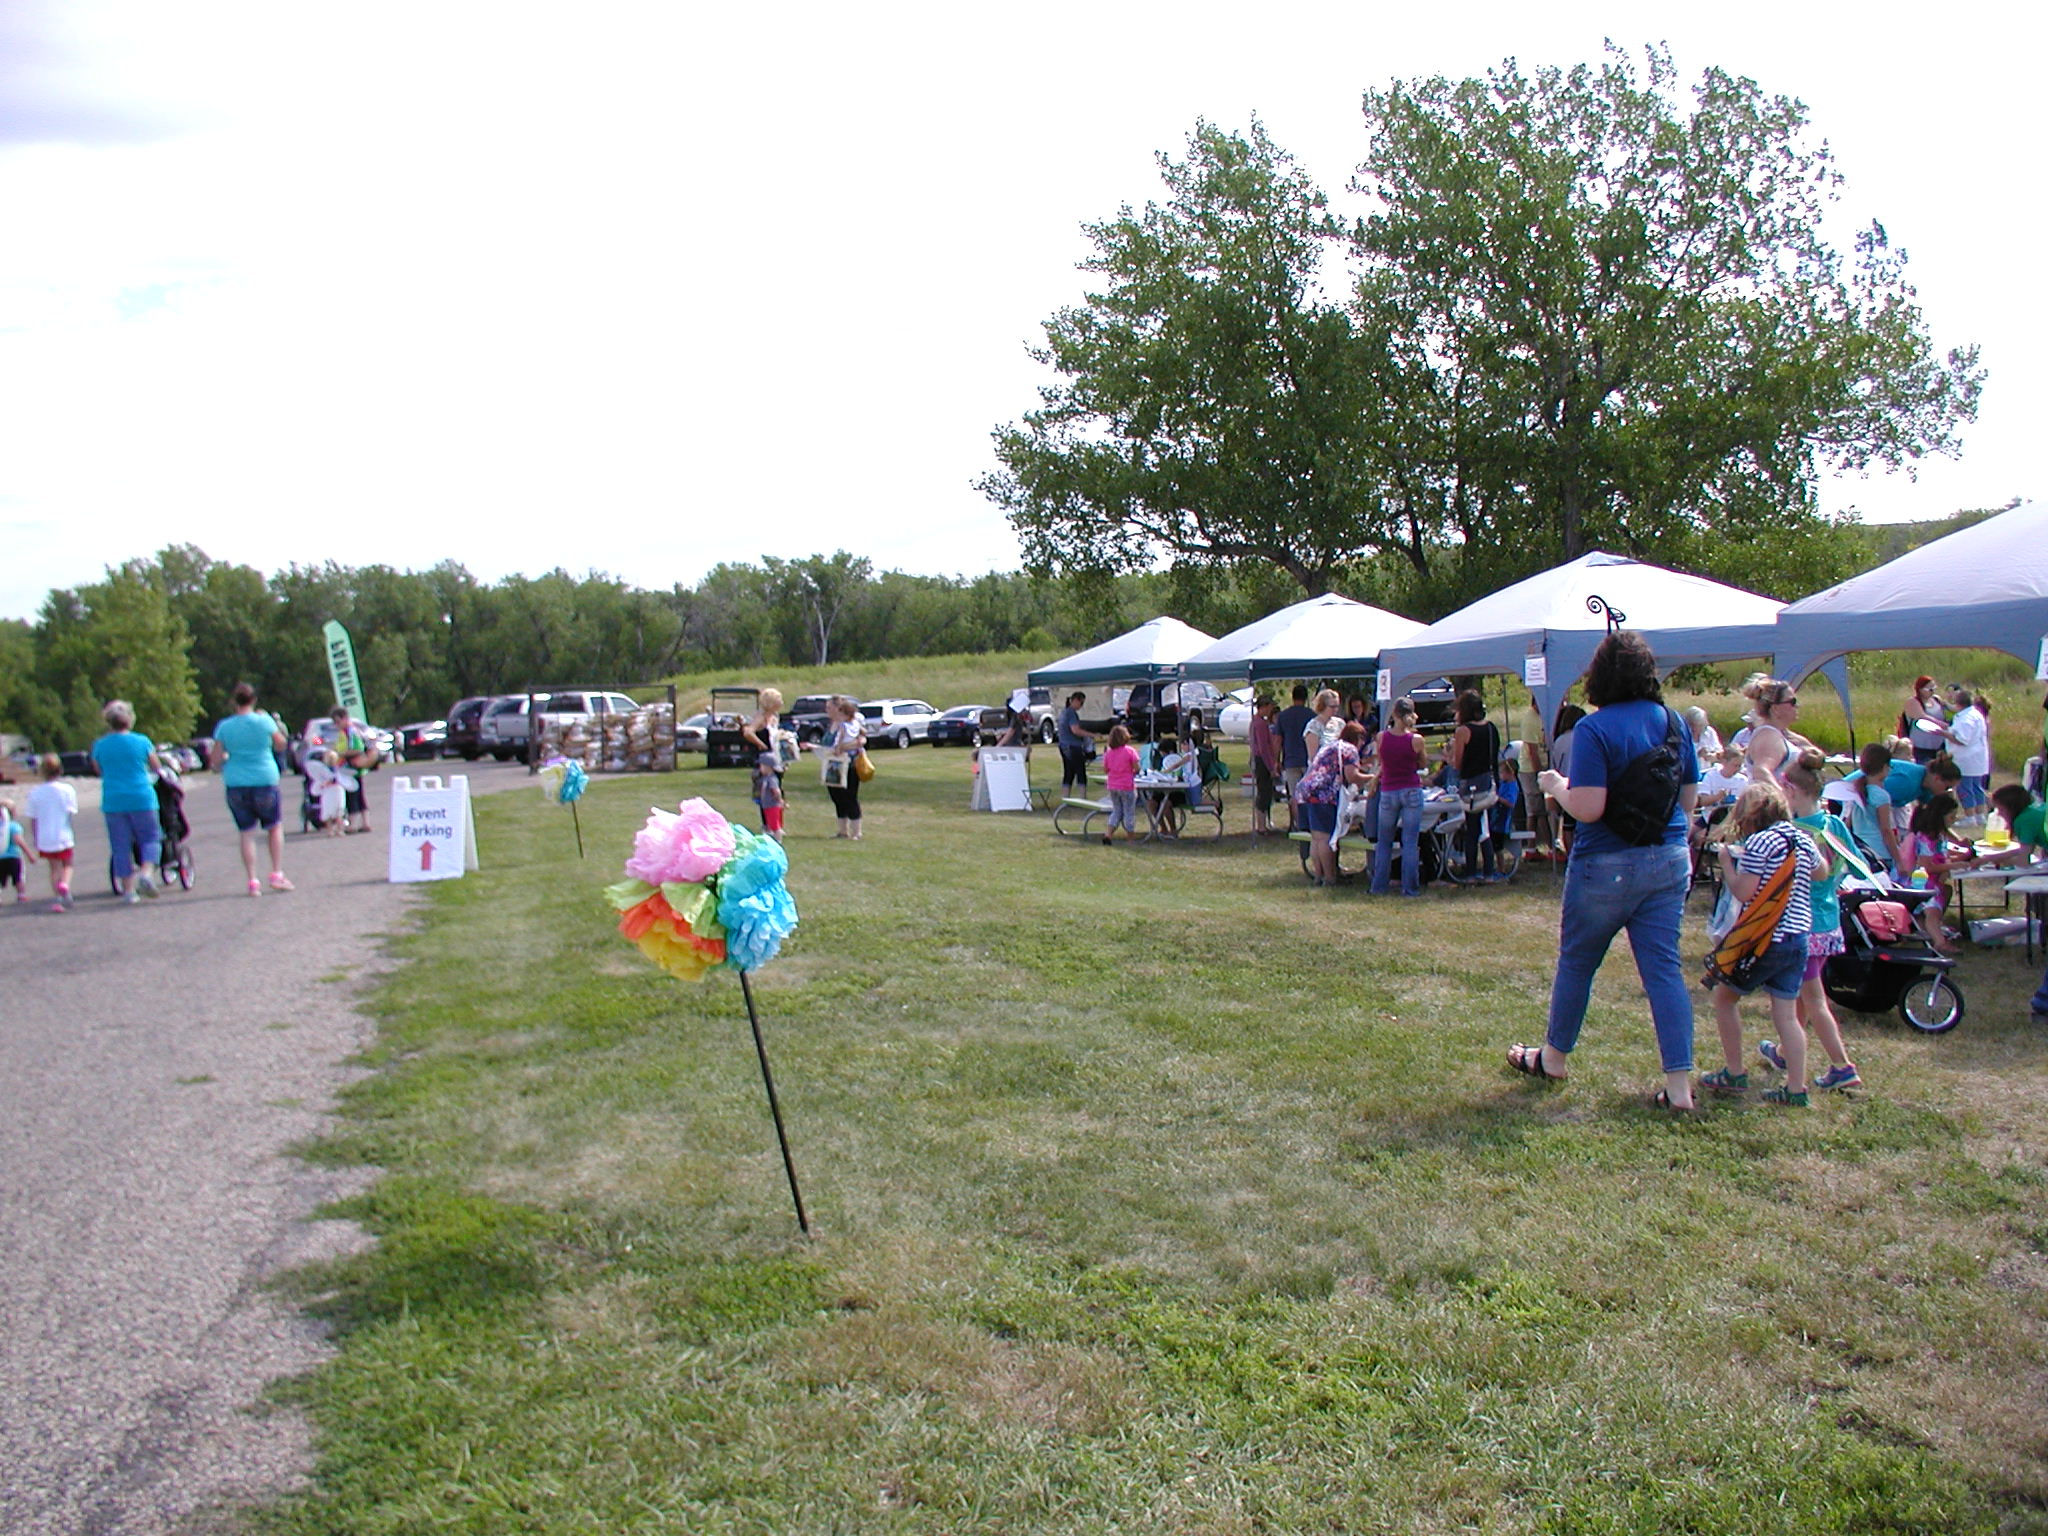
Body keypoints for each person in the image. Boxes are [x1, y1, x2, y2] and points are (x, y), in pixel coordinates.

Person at [1505, 631, 1698, 1111]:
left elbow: (1589, 808)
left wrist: (1557, 785)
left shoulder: (1594, 729)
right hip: (1668, 858)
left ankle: (1553, 1057)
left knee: (1578, 962)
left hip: (1604, 865)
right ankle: (1679, 1089)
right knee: (1664, 974)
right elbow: (1689, 799)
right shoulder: (1674, 723)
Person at [1704, 779, 1822, 1106]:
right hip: (1798, 937)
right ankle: (1796, 1088)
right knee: (1786, 1016)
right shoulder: (1802, 839)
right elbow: (1821, 872)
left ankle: (1734, 1071)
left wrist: (1728, 863)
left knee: (1724, 999)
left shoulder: (1758, 844)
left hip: (1765, 938)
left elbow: (1744, 891)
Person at [1760, 749, 1862, 1092]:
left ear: (1790, 792)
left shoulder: (1794, 832)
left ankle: (1842, 1066)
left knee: (1815, 999)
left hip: (1804, 924)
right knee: (1803, 992)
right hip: (1829, 918)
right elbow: (1855, 865)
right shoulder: (1832, 824)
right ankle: (1785, 1051)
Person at [209, 681, 294, 895]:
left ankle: (252, 880)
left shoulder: (224, 727)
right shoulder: (264, 721)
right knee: (273, 827)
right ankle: (276, 873)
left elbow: (215, 760)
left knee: (246, 833)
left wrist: (223, 762)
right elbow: (281, 743)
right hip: (264, 778)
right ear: (254, 700)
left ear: (233, 702)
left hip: (236, 782)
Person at [91, 699, 165, 904]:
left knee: (120, 846)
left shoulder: (100, 745)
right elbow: (156, 766)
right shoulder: (142, 741)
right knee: (150, 838)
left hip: (114, 799)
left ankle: (129, 891)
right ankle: (147, 873)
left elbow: (98, 770)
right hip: (141, 796)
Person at [1898, 792, 1975, 955]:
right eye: (1951, 816)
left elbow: (1939, 857)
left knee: (1945, 893)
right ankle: (1940, 942)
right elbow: (1926, 866)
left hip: (1925, 879)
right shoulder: (1927, 838)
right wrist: (1954, 865)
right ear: (1941, 816)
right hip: (1919, 880)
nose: (1954, 819)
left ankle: (1925, 932)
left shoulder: (1937, 835)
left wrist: (1959, 857)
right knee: (1932, 910)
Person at [1298, 721, 1369, 887]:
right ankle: (1330, 878)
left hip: (1306, 792)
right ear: (1358, 738)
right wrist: (1373, 777)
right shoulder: (1350, 749)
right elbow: (1352, 776)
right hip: (1324, 795)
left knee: (1316, 838)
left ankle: (1318, 876)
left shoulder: (1330, 746)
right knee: (1325, 838)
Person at [1371, 698, 1427, 898]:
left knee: (1384, 841)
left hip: (1389, 789)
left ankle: (1378, 886)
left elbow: (1382, 762)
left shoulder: (1381, 737)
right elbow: (1422, 763)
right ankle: (1409, 888)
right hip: (1411, 788)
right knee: (1410, 841)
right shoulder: (1416, 740)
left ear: (1394, 714)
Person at [1822, 742, 1904, 874]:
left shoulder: (1854, 791)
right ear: (1884, 767)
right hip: (1880, 853)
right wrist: (1899, 859)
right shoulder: (1881, 796)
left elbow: (1847, 824)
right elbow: (1886, 831)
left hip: (1860, 850)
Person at [1448, 690, 1502, 883]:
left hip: (1471, 784)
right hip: (1489, 782)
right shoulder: (1491, 728)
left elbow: (1457, 763)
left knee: (1472, 830)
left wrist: (1450, 754)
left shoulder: (1463, 731)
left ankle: (1471, 872)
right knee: (1485, 829)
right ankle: (1489, 870)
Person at [1737, 675, 1809, 787]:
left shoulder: (1779, 734)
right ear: (1775, 708)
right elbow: (1761, 772)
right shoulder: (1769, 736)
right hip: (1774, 803)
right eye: (1792, 701)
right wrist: (1784, 800)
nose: (1797, 706)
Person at [25, 755, 77, 911]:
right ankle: (64, 884)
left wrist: (35, 837)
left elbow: (33, 818)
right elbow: (71, 812)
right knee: (67, 864)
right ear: (59, 770)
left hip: (45, 836)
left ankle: (58, 899)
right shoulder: (67, 790)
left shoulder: (35, 792)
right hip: (63, 833)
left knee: (54, 868)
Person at [815, 695, 867, 839]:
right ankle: (842, 830)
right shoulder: (831, 724)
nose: (827, 710)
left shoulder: (851, 723)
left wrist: (845, 747)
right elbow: (827, 743)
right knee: (836, 797)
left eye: (829, 707)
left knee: (850, 796)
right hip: (832, 764)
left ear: (839, 709)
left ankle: (857, 831)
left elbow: (862, 739)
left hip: (849, 764)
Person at [1945, 689, 1990, 827]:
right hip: (1977, 758)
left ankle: (1970, 816)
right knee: (1977, 786)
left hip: (1965, 759)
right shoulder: (1975, 714)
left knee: (1965, 788)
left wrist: (1944, 734)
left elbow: (1961, 739)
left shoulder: (1966, 719)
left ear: (1958, 703)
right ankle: (1980, 815)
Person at [1517, 696, 1555, 859]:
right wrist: (1541, 775)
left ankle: (1543, 847)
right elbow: (1532, 752)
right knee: (1536, 811)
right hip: (1530, 769)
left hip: (1541, 766)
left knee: (1538, 810)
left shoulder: (1545, 716)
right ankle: (1539, 848)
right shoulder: (1530, 720)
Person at [328, 706, 375, 833]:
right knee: (359, 795)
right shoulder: (345, 732)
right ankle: (365, 822)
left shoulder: (350, 731)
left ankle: (353, 824)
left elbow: (357, 749)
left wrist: (340, 754)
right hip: (350, 767)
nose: (337, 725)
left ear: (345, 718)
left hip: (352, 767)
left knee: (352, 795)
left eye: (338, 721)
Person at [1276, 685, 1313, 831]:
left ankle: (1298, 824)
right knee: (1310, 794)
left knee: (1294, 795)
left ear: (1293, 697)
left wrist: (1276, 760)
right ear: (1306, 698)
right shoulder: (1311, 715)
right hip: (1308, 759)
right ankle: (1310, 823)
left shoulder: (1283, 716)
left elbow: (1277, 740)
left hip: (1290, 760)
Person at [1100, 724, 1140, 845]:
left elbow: (1106, 770)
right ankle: (1130, 839)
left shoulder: (1109, 753)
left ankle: (1108, 834)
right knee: (1129, 812)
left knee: (1116, 811)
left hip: (1113, 785)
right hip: (1127, 786)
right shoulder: (1130, 751)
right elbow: (1137, 768)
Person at [1247, 695, 1281, 835]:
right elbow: (1263, 748)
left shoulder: (1255, 721)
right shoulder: (1260, 724)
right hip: (1262, 761)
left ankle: (1262, 824)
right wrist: (1271, 766)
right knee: (1264, 792)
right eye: (1270, 707)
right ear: (1265, 707)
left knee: (1264, 792)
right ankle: (1261, 826)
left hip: (1257, 759)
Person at [1055, 691, 1097, 797]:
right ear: (1075, 700)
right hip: (1072, 747)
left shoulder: (1064, 712)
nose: (1081, 706)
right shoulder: (1071, 713)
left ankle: (1066, 797)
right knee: (1080, 772)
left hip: (1064, 745)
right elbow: (1075, 730)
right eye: (1081, 703)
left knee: (1069, 772)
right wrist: (1091, 734)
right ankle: (1082, 797)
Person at [1903, 675, 1948, 763]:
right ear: (1920, 689)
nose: (1933, 691)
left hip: (1939, 747)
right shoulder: (1913, 702)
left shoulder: (1936, 699)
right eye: (1929, 689)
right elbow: (1922, 717)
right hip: (1921, 748)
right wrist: (1942, 725)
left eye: (1934, 688)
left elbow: (1950, 708)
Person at [0, 797, 33, 901]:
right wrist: (29, 854)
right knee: (18, 877)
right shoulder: (14, 826)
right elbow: (18, 840)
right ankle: (21, 894)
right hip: (14, 856)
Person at [752, 743, 786, 841]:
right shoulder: (765, 777)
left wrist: (779, 800)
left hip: (773, 805)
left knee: (775, 826)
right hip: (767, 805)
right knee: (770, 825)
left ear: (768, 766)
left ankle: (778, 841)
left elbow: (776, 790)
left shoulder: (772, 779)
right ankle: (772, 839)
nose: (760, 768)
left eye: (762, 766)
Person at [742, 687, 785, 756]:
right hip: (763, 757)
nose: (782, 702)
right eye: (779, 700)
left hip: (775, 755)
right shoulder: (761, 717)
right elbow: (748, 733)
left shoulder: (775, 717)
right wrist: (762, 745)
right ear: (772, 702)